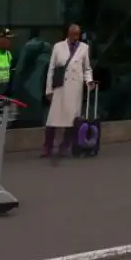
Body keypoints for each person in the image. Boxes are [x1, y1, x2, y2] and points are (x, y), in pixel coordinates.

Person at [42, 23, 94, 160]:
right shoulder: (58, 47)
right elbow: (51, 69)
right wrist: (49, 89)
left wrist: (89, 81)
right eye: (73, 34)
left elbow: (87, 68)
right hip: (60, 87)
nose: (75, 37)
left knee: (72, 120)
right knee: (53, 119)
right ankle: (47, 147)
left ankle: (64, 147)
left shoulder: (84, 48)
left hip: (75, 88)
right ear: (68, 34)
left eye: (77, 34)